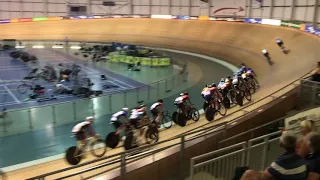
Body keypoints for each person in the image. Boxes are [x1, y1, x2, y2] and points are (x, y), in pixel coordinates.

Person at [241, 132, 308, 180]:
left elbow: (264, 177)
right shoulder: (301, 157)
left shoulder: (282, 161)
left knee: (249, 173)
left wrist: (267, 170)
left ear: (281, 145)